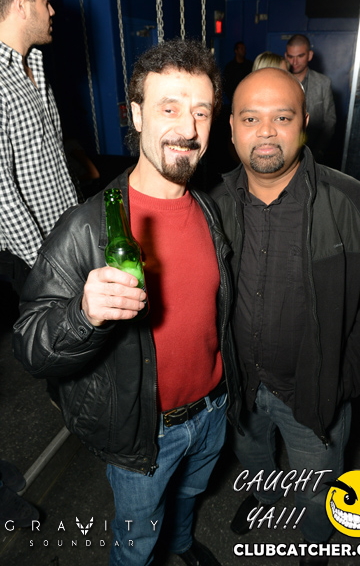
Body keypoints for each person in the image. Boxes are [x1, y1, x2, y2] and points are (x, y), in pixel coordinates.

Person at [13, 38, 241, 566]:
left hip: (213, 410)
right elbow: (29, 345)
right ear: (136, 115)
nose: (188, 129)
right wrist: (82, 315)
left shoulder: (209, 210)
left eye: (201, 111)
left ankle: (181, 546)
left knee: (189, 498)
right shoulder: (87, 227)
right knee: (136, 543)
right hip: (145, 431)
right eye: (169, 108)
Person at [211, 67, 360, 566]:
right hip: (240, 386)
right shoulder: (212, 207)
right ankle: (266, 500)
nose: (266, 131)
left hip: (314, 393)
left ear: (305, 123)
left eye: (282, 117)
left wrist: (346, 377)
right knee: (253, 459)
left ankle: (318, 541)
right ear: (231, 127)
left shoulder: (356, 205)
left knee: (319, 487)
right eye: (250, 118)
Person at [0, 0, 79, 295]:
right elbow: (2, 195)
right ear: (21, 5)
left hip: (65, 243)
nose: (52, 10)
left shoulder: (35, 66)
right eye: (45, 1)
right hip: (32, 264)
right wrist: (47, 270)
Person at [285, 34, 336, 162]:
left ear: (310, 55)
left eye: (300, 56)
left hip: (314, 154)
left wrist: (318, 152)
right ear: (286, 56)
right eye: (290, 57)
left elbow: (330, 121)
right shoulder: (279, 82)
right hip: (285, 154)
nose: (294, 62)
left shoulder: (323, 83)